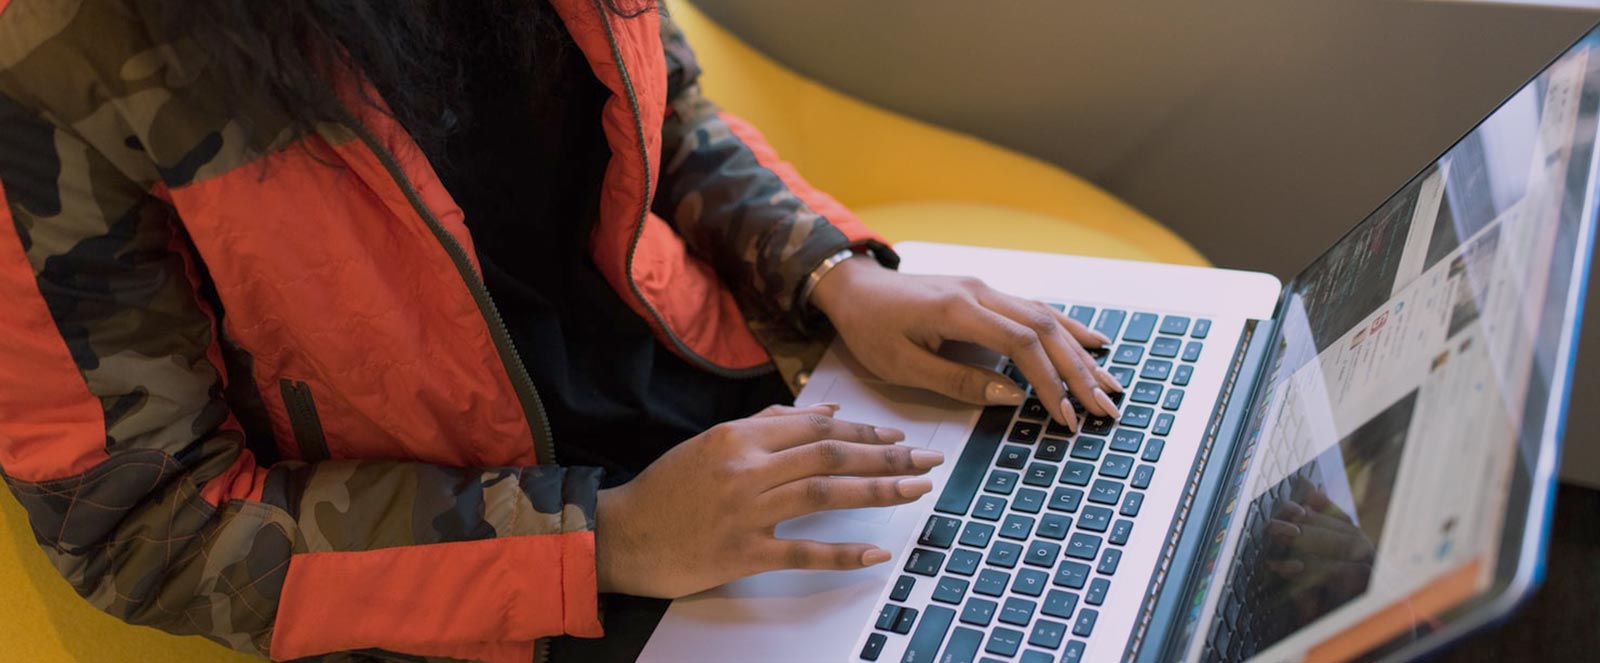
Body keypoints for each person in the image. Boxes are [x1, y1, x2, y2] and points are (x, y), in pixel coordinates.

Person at [0, 1, 1123, 661]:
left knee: (1119, 546)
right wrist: (612, 535)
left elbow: (665, 120)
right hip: (504, 581)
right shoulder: (43, 66)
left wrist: (831, 277)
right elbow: (137, 526)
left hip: (739, 409)